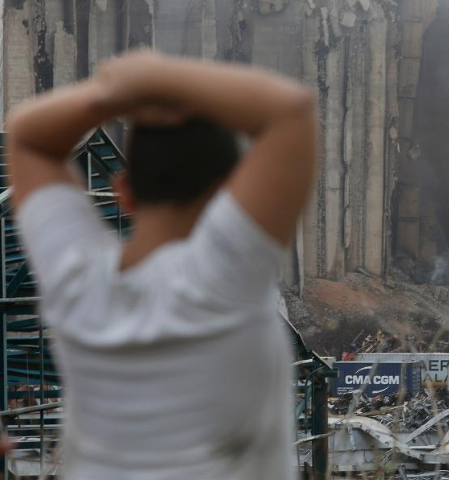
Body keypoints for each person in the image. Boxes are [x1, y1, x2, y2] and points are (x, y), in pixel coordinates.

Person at [6, 51, 317, 479]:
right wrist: (152, 79)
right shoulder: (225, 277)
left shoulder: (77, 283)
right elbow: (292, 110)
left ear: (124, 192)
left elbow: (27, 136)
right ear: (228, 196)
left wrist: (114, 95)